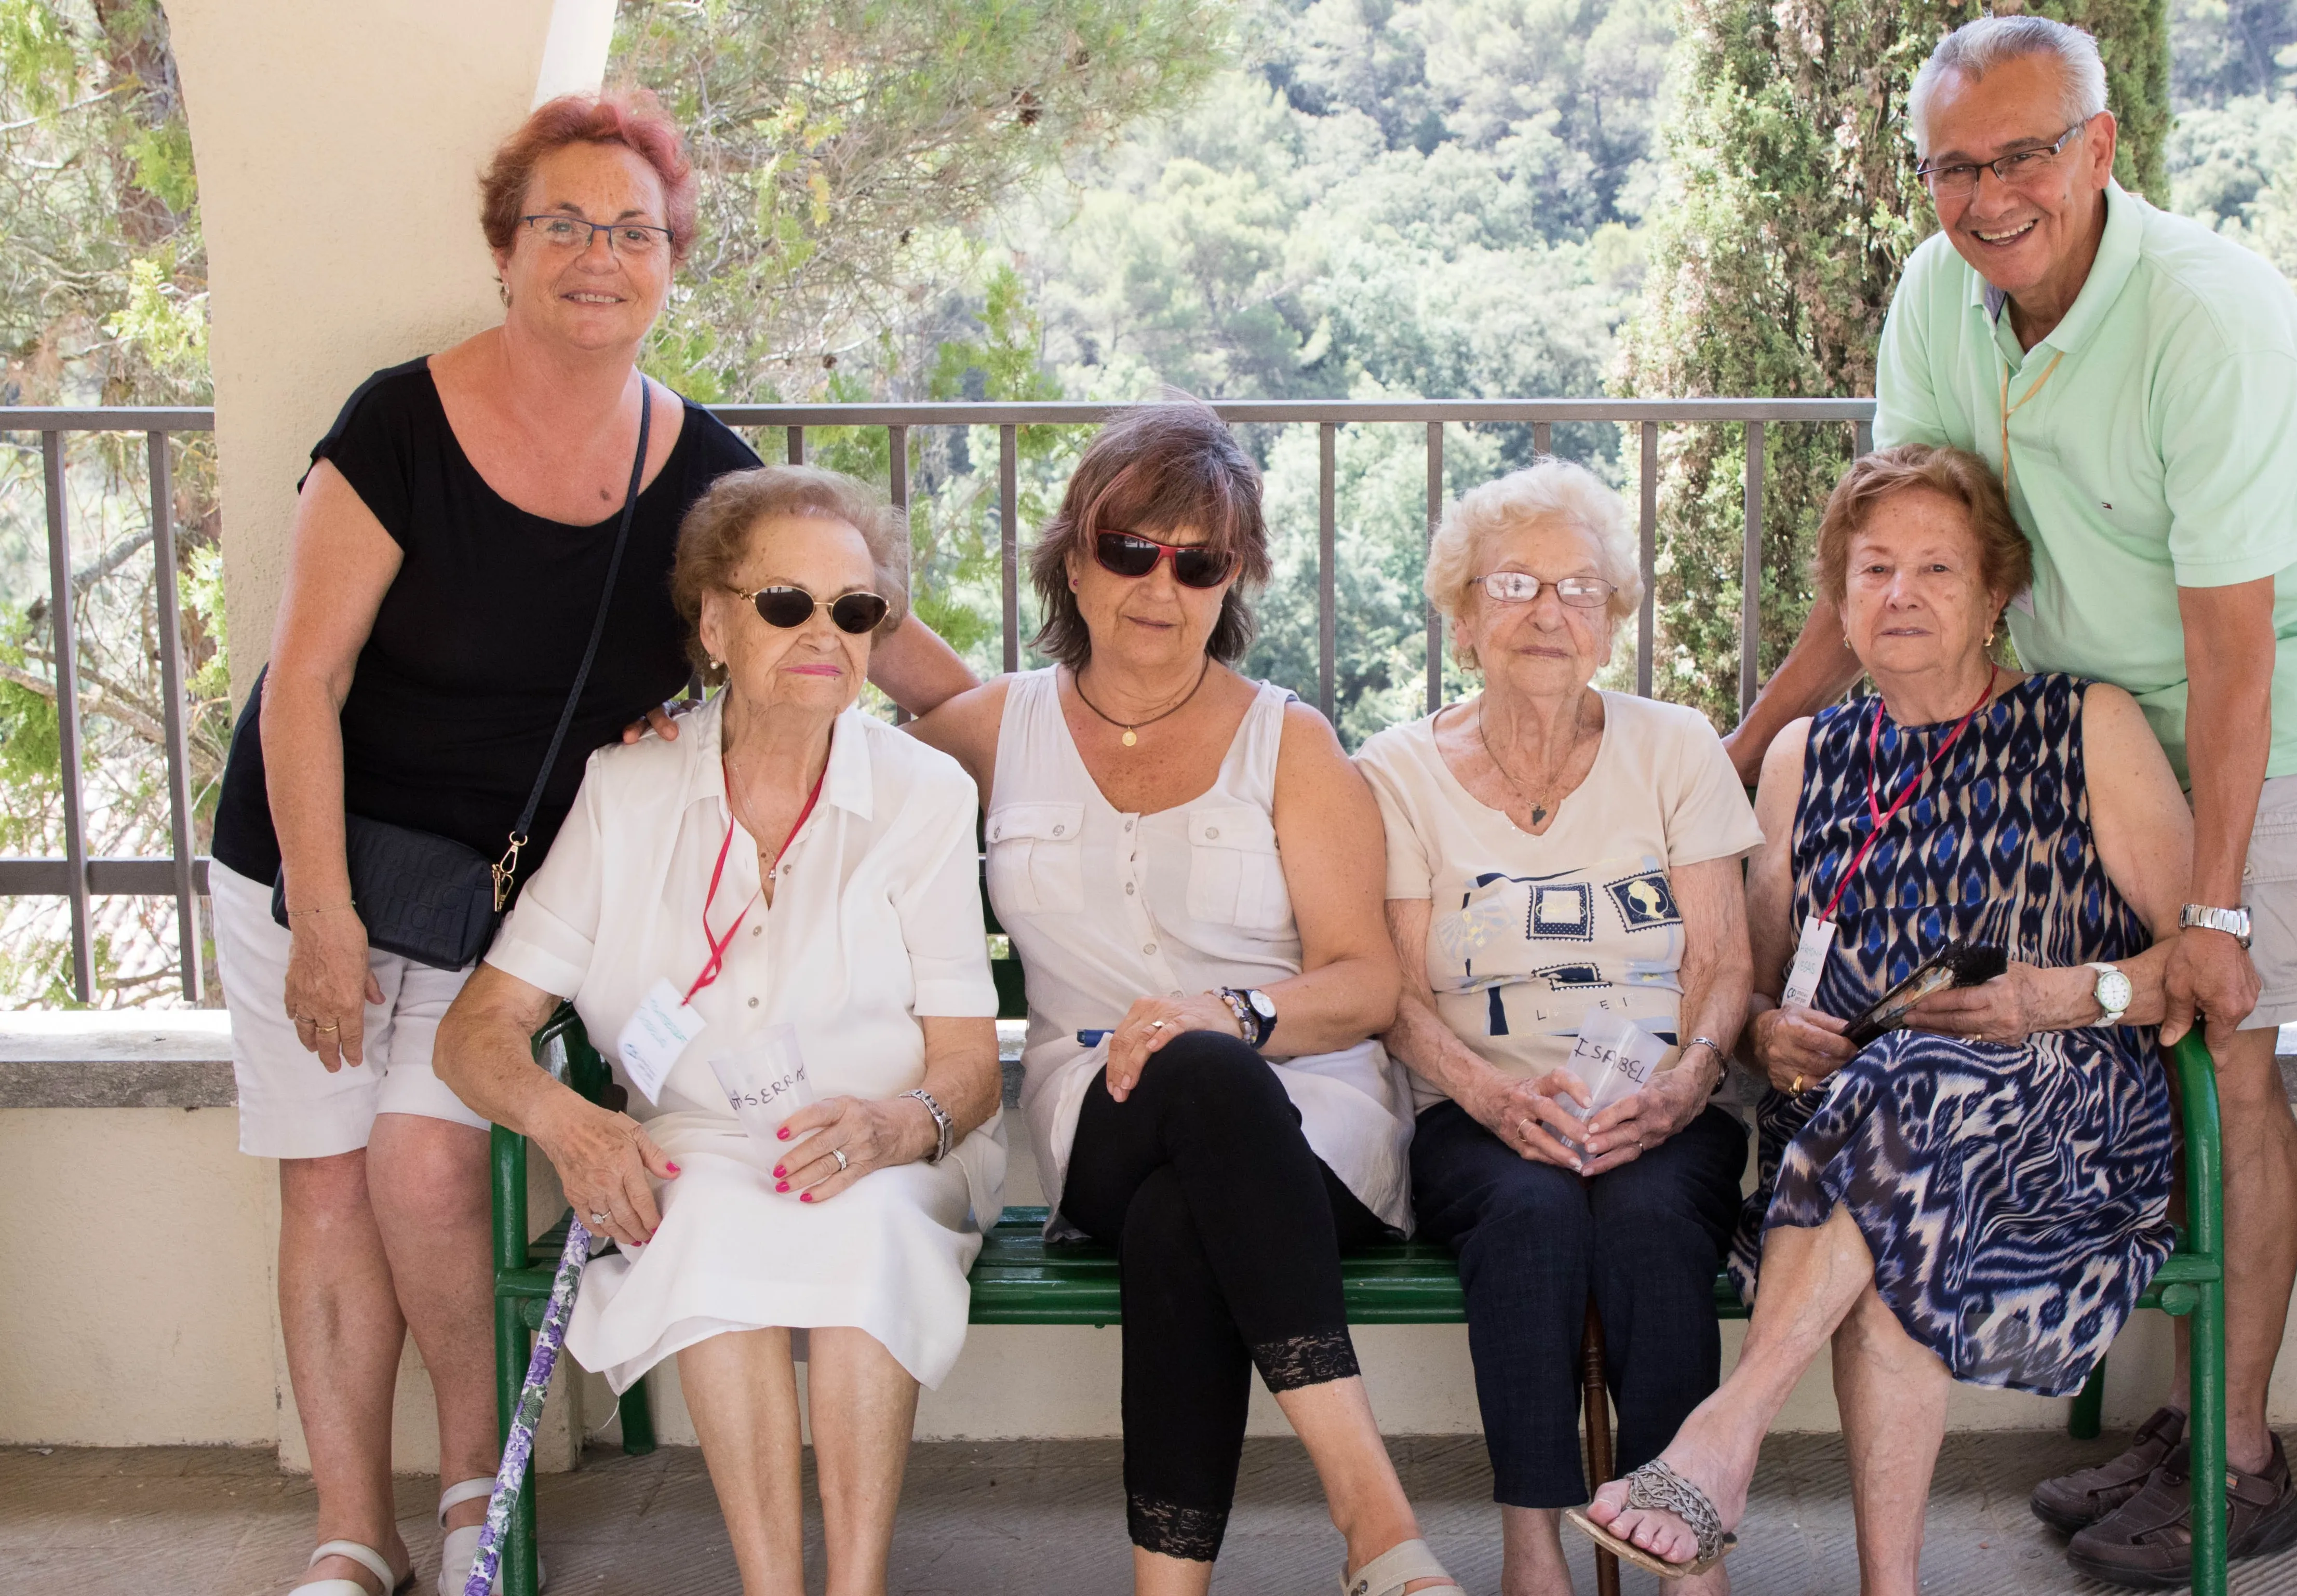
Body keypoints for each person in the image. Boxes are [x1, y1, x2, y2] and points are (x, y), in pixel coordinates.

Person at [205, 93, 969, 1596]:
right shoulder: (398, 424)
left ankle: (471, 1504)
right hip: (322, 846)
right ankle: (349, 1536)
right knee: (327, 1179)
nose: (596, 255)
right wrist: (323, 913)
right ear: (505, 252)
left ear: (671, 264)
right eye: (561, 222)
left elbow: (865, 629)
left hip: (496, 879)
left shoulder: (699, 465)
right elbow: (303, 680)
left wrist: (1090, 727)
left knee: (429, 1175)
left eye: (632, 230)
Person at [1718, 16, 2297, 1579]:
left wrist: (2217, 901)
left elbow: (2232, 647)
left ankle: (2237, 1457)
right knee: (2081, 1034)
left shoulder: (2205, 317)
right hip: (2085, 712)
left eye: (2026, 154)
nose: (1990, 194)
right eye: (1957, 166)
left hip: (2269, 710)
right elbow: (1887, 548)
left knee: (2228, 1059)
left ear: (2100, 149)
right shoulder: (1933, 297)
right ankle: (2177, 1421)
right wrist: (1731, 755)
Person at [1577, 445, 2196, 1588]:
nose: (1900, 594)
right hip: (1863, 1133)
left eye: (1936, 570)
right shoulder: (1806, 756)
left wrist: (2053, 996)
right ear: (1843, 600)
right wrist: (1765, 1032)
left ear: (1996, 595)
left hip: (2065, 1118)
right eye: (1873, 570)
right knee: (1899, 1141)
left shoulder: (2083, 725)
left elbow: (2196, 963)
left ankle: (1727, 1433)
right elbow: (1753, 982)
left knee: (1908, 1100)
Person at [906, 399, 1462, 1596]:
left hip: (1311, 1129)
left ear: (1233, 579)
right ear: (1072, 554)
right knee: (1181, 1099)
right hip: (1093, 1120)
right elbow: (825, 681)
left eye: (1197, 560)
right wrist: (673, 725)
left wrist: (1239, 1014)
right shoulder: (996, 727)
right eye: (1129, 549)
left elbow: (1363, 983)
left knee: (1182, 1198)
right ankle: (1371, 1516)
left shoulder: (1290, 743)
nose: (1160, 585)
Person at [435, 466, 1002, 1596]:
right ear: (714, 619)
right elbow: (477, 1033)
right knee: (711, 1221)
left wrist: (900, 1125)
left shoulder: (922, 796)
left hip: (885, 1143)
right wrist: (570, 1124)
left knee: (870, 1226)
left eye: (856, 610)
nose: (824, 634)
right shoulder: (628, 788)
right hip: (693, 1140)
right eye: (786, 603)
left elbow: (969, 1067)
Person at [1356, 459, 1758, 1596]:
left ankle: (1685, 1550)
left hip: (1660, 1102)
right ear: (1462, 609)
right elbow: (1393, 990)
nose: (1549, 612)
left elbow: (1726, 962)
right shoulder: (1395, 772)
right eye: (1517, 583)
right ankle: (1532, 1545)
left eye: (1581, 589)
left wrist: (1687, 1085)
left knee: (1645, 1221)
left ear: (1614, 619)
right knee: (1531, 1214)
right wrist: (1490, 1097)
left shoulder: (1674, 746)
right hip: (1475, 1108)